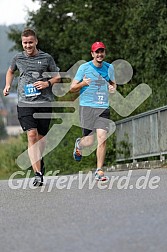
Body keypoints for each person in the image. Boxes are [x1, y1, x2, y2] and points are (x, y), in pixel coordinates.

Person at [3, 28, 60, 186]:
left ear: (36, 42)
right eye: (25, 43)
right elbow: (10, 72)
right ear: (22, 43)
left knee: (41, 139)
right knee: (31, 135)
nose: (27, 46)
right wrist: (7, 85)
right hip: (25, 104)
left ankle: (39, 163)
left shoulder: (46, 58)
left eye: (30, 42)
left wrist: (46, 83)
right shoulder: (18, 58)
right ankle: (37, 173)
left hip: (44, 102)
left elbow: (57, 76)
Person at [70, 41, 116, 181]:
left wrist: (113, 88)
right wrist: (83, 83)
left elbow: (113, 83)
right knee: (89, 141)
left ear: (104, 53)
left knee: (102, 137)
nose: (100, 54)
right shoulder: (84, 68)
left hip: (103, 107)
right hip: (87, 107)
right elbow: (72, 88)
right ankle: (79, 144)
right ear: (92, 54)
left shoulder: (109, 68)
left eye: (102, 51)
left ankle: (99, 170)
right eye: (97, 52)